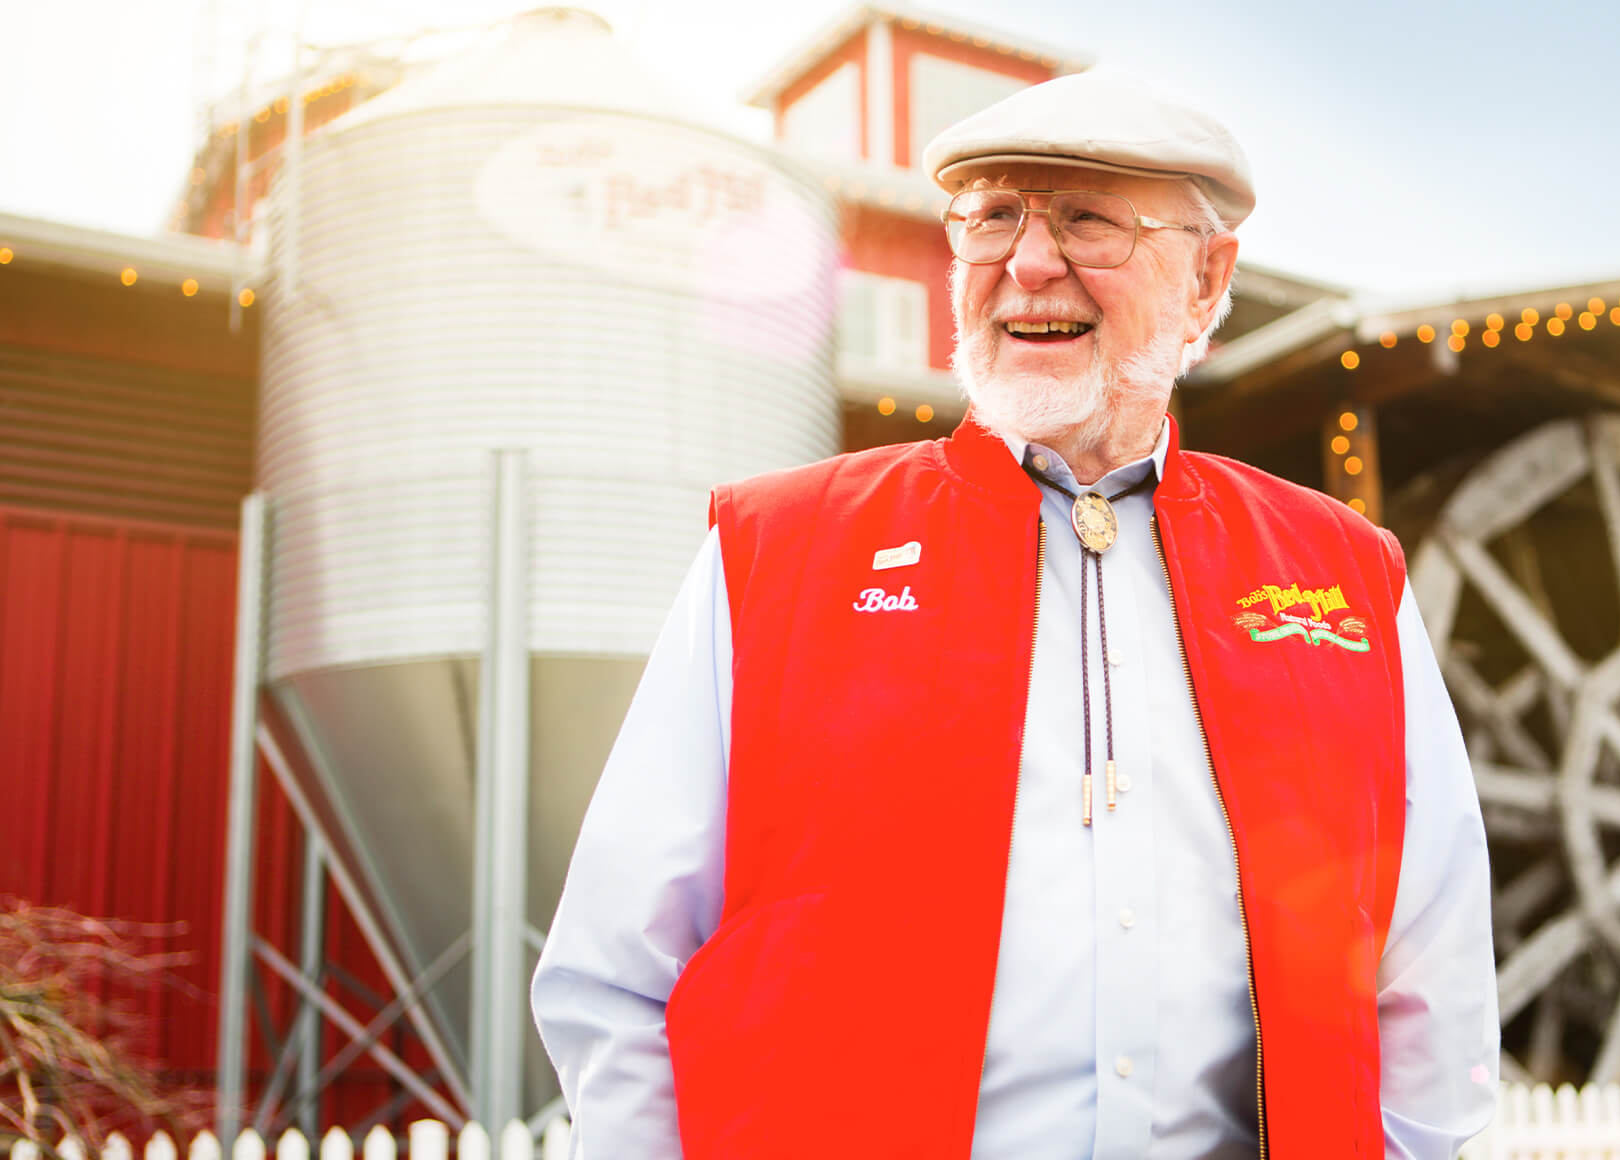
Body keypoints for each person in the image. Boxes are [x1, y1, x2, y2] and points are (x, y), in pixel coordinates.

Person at [531, 69, 1498, 1159]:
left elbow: (1436, 969)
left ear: (1205, 277)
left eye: (1087, 218)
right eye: (993, 216)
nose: (1029, 264)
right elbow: (614, 977)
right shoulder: (773, 553)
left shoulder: (1344, 575)